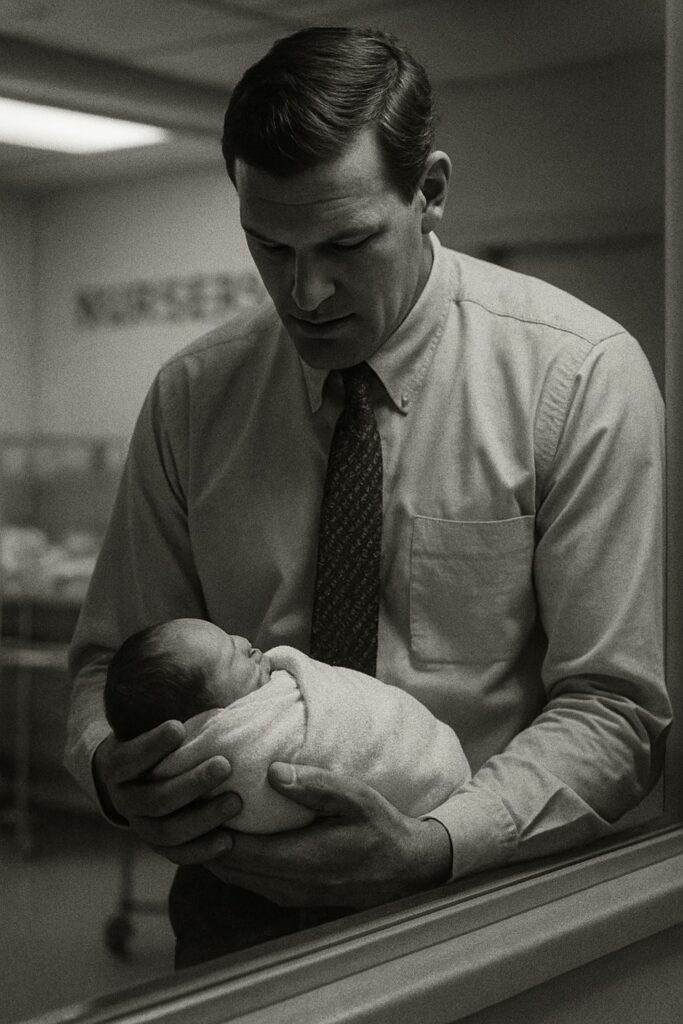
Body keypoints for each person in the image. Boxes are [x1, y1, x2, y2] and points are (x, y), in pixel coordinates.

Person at [65, 25, 671, 969]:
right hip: (234, 920)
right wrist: (114, 768)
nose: (303, 292)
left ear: (429, 192)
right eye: (268, 246)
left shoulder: (580, 376)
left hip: (481, 910)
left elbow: (613, 710)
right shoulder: (194, 396)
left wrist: (429, 848)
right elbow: (107, 662)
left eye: (345, 243)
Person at [103, 617, 471, 832]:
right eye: (232, 654)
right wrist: (123, 771)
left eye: (229, 635)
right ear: (212, 720)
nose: (246, 641)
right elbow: (100, 657)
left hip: (461, 832)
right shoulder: (246, 739)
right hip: (230, 890)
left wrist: (443, 844)